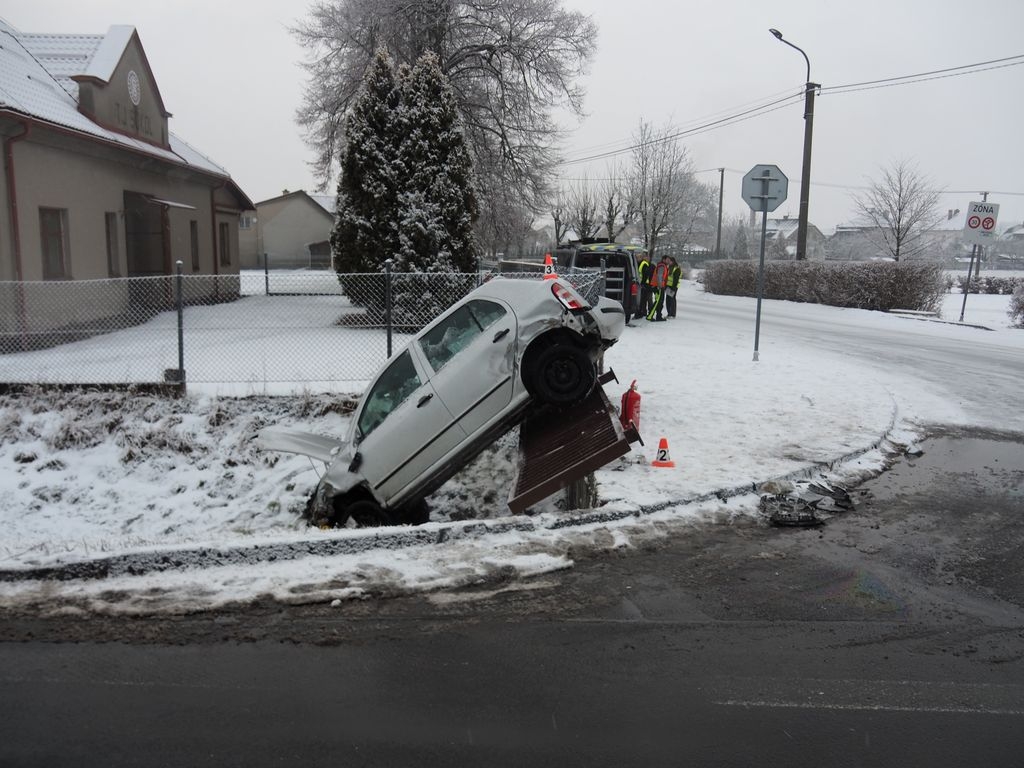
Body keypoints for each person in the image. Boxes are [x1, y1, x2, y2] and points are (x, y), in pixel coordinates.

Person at [646, 255, 669, 321]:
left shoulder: (663, 266)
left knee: (660, 302)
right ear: (664, 259)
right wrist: (660, 285)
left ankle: (659, 316)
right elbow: (659, 276)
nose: (668, 261)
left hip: (659, 286)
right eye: (667, 259)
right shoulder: (662, 266)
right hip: (658, 286)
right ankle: (650, 316)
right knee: (657, 302)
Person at [635, 252, 652, 321]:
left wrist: (642, 284)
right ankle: (643, 312)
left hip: (644, 284)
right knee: (643, 299)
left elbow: (645, 275)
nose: (636, 258)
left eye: (637, 257)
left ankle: (641, 313)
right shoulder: (640, 263)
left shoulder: (643, 264)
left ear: (641, 257)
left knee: (643, 299)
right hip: (643, 284)